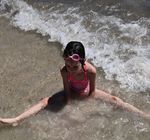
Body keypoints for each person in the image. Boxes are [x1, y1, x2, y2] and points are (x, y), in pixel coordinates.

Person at [0, 41, 149, 126]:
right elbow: (66, 89)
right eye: (68, 65)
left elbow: (93, 92)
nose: (70, 69)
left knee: (116, 100)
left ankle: (144, 115)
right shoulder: (64, 71)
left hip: (86, 90)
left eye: (74, 66)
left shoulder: (90, 71)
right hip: (72, 91)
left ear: (82, 61)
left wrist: (88, 105)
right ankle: (16, 119)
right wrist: (69, 104)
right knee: (45, 101)